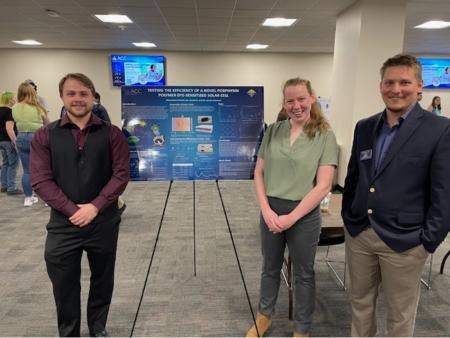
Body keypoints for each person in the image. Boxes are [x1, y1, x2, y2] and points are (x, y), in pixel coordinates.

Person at [342, 54, 450, 336]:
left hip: (407, 240)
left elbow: (445, 192)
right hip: (360, 233)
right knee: (359, 304)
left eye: (404, 82)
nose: (396, 89)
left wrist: (428, 241)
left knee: (399, 314)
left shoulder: (440, 129)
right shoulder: (365, 127)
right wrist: (349, 216)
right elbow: (354, 176)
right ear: (380, 86)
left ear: (419, 86)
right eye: (389, 82)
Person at [30, 73, 130, 337]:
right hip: (64, 223)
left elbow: (120, 174)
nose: (78, 99)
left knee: (102, 278)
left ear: (93, 97)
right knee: (64, 283)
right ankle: (69, 332)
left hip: (103, 222)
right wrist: (75, 211)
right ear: (62, 97)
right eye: (71, 93)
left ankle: (98, 327)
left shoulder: (112, 134)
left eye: (84, 93)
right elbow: (41, 180)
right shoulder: (45, 136)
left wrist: (95, 207)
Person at [247, 78, 338, 337]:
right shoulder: (273, 130)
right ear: (284, 103)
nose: (296, 105)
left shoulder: (324, 136)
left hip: (304, 214)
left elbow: (323, 185)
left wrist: (291, 218)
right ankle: (264, 317)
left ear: (312, 98)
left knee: (303, 273)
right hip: (271, 210)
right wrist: (266, 210)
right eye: (290, 100)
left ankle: (302, 328)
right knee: (270, 267)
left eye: (301, 99)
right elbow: (258, 172)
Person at [12, 82, 49, 206]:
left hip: (21, 137)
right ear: (32, 92)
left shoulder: (15, 107)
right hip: (36, 137)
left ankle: (28, 198)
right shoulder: (37, 106)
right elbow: (47, 124)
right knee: (43, 169)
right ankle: (47, 199)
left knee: (27, 170)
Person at [0, 91, 21, 195]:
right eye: (14, 98)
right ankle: (11, 188)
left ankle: (4, 186)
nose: (15, 100)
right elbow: (10, 129)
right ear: (9, 99)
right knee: (13, 164)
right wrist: (16, 142)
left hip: (1, 141)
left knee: (5, 163)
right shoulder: (9, 111)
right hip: (8, 141)